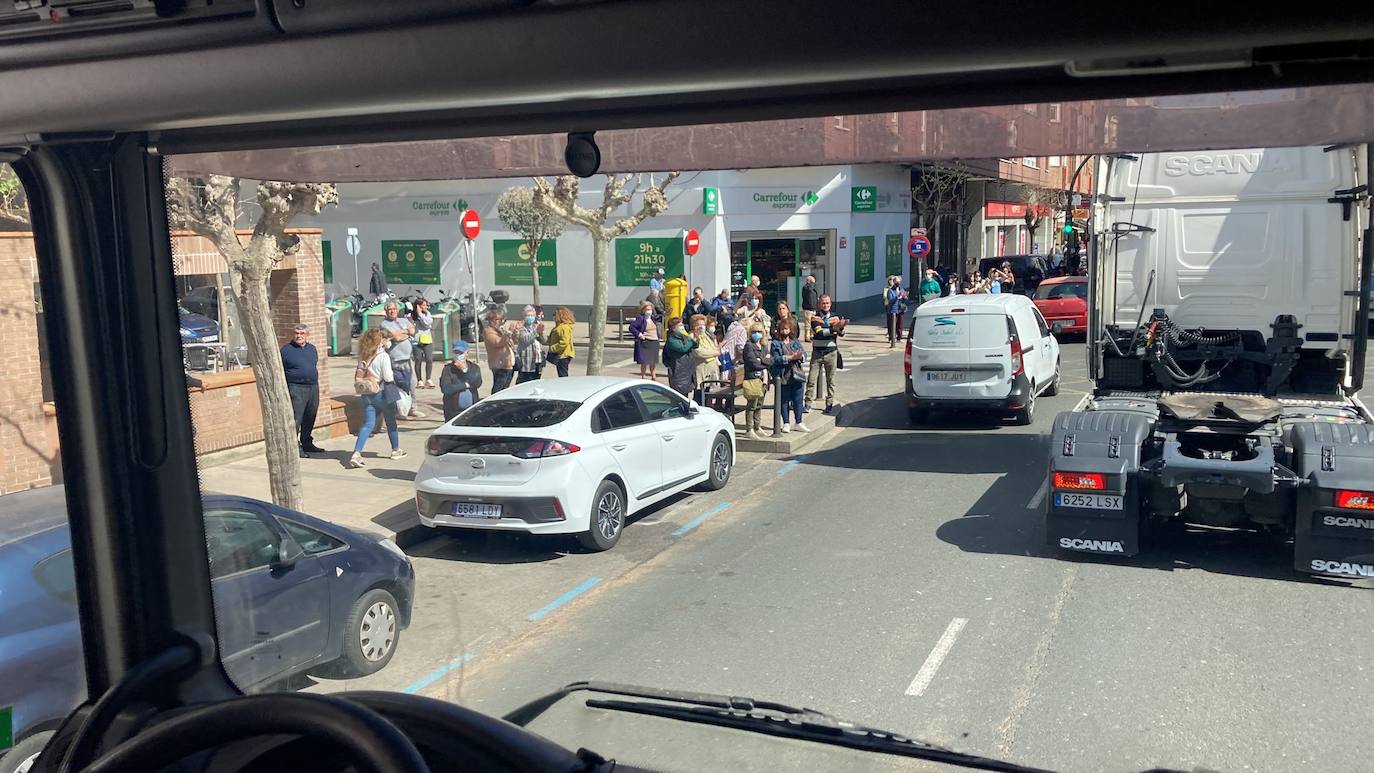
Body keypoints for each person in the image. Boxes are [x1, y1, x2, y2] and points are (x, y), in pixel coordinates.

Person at [349, 328, 404, 468]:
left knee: (368, 424)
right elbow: (388, 377)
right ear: (379, 340)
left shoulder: (363, 356)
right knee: (391, 422)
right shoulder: (383, 356)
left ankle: (357, 453)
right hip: (382, 393)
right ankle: (396, 449)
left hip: (366, 394)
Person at [281, 322, 325, 457]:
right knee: (296, 418)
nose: (299, 336)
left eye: (302, 333)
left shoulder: (312, 349)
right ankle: (294, 447)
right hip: (296, 388)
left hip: (312, 387)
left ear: (307, 335)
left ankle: (307, 442)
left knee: (310, 415)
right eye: (296, 333)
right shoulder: (286, 350)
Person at [380, 300, 425, 419]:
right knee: (397, 386)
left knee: (411, 384)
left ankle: (412, 409)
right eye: (389, 309)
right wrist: (405, 333)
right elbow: (395, 337)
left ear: (397, 310)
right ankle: (398, 411)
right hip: (394, 361)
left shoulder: (404, 320)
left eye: (394, 309)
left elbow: (413, 331)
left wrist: (403, 333)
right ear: (386, 311)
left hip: (407, 360)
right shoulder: (384, 324)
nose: (392, 311)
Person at [806, 294, 846, 415]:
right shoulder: (814, 318)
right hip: (817, 352)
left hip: (831, 353)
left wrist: (840, 327)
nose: (826, 305)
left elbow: (841, 333)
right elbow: (819, 332)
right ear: (819, 304)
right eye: (823, 303)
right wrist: (834, 329)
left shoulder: (835, 317)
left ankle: (829, 403)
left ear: (831, 304)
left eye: (827, 303)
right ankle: (808, 403)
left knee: (831, 380)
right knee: (811, 379)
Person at [771, 319, 809, 433]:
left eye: (786, 329)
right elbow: (775, 359)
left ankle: (799, 422)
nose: (784, 331)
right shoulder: (775, 343)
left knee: (798, 399)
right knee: (784, 400)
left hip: (796, 374)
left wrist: (800, 356)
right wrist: (790, 358)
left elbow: (804, 354)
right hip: (783, 375)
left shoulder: (795, 341)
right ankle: (786, 423)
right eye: (782, 329)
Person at [741, 322, 773, 439]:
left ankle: (757, 426)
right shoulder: (749, 345)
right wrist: (764, 361)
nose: (757, 334)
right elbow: (753, 363)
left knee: (759, 404)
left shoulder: (764, 346)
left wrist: (762, 360)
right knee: (752, 405)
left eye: (759, 332)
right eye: (754, 332)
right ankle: (749, 429)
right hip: (753, 378)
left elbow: (771, 360)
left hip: (764, 379)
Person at [439, 340, 483, 421]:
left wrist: (464, 370)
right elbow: (446, 389)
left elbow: (477, 383)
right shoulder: (448, 369)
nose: (458, 355)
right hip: (453, 411)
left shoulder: (474, 368)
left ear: (467, 353)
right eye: (456, 352)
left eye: (461, 353)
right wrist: (465, 385)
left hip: (471, 411)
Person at [662, 315, 698, 397]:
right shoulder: (671, 340)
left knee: (686, 393)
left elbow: (696, 345)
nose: (682, 327)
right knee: (679, 395)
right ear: (673, 328)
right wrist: (690, 340)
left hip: (687, 370)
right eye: (680, 325)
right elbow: (683, 349)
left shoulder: (683, 336)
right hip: (678, 371)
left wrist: (694, 337)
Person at [482, 309, 516, 393]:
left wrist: (514, 332)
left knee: (505, 388)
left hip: (507, 364)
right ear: (490, 320)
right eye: (497, 319)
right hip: (499, 365)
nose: (499, 322)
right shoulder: (488, 331)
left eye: (501, 319)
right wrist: (508, 332)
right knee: (498, 388)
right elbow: (498, 343)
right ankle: (494, 403)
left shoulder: (500, 330)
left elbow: (512, 342)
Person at [512, 305, 547, 384]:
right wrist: (536, 332)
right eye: (528, 315)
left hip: (537, 360)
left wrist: (541, 333)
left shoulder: (536, 326)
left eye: (532, 315)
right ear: (524, 316)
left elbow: (544, 340)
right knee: (524, 382)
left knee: (536, 381)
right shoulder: (521, 328)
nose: (530, 317)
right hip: (526, 361)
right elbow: (525, 339)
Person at [690, 313, 719, 405]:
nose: (701, 327)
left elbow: (714, 348)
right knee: (699, 396)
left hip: (711, 370)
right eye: (699, 325)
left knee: (707, 395)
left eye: (703, 324)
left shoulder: (706, 335)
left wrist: (714, 352)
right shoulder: (691, 337)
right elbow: (699, 352)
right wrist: (714, 353)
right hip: (700, 371)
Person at [629, 300, 661, 380]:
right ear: (643, 310)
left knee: (653, 361)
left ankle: (653, 376)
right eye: (647, 309)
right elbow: (632, 327)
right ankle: (643, 376)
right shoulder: (640, 319)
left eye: (650, 309)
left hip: (654, 341)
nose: (649, 311)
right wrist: (639, 335)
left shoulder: (653, 319)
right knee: (644, 361)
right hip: (646, 342)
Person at [410, 297, 436, 388]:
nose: (425, 307)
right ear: (418, 306)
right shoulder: (412, 316)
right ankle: (419, 380)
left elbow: (427, 322)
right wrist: (417, 314)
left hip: (427, 340)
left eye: (426, 305)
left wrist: (420, 314)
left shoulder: (427, 314)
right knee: (418, 360)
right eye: (423, 305)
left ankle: (428, 379)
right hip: (416, 341)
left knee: (429, 359)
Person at [546, 306, 575, 377]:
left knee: (563, 374)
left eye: (555, 315)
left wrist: (552, 348)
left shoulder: (563, 327)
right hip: (561, 354)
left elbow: (564, 342)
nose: (553, 317)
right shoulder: (559, 327)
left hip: (563, 355)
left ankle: (564, 386)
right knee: (561, 373)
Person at [883, 276, 908, 347]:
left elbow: (905, 300)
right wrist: (897, 297)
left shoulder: (901, 289)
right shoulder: (890, 290)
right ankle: (891, 338)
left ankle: (899, 338)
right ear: (894, 282)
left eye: (899, 282)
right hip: (893, 310)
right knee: (892, 324)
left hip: (900, 309)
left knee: (900, 324)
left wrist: (905, 297)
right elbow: (890, 300)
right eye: (896, 282)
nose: (898, 283)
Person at [800, 274, 819, 343]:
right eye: (812, 281)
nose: (813, 283)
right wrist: (812, 282)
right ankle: (807, 337)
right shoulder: (806, 288)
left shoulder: (813, 288)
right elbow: (809, 290)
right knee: (807, 324)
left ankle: (811, 336)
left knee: (813, 323)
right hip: (807, 308)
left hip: (813, 308)